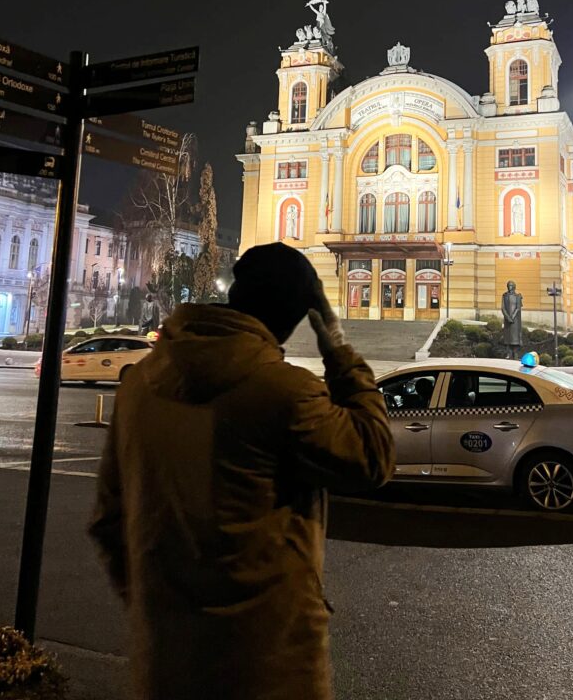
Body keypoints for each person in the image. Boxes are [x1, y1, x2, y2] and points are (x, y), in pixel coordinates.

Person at [89, 242, 394, 700]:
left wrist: (161, 608)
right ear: (299, 315)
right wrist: (339, 347)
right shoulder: (285, 392)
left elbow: (108, 522)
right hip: (269, 664)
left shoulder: (140, 384)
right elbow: (374, 456)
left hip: (165, 661)